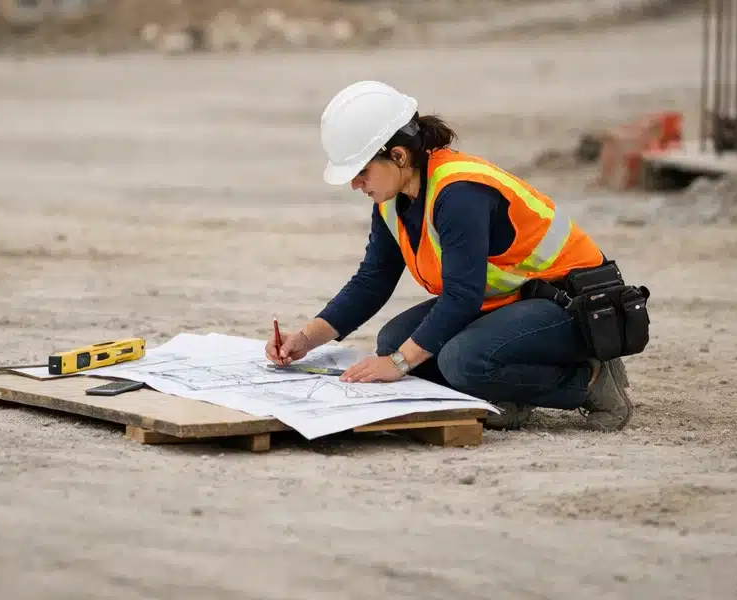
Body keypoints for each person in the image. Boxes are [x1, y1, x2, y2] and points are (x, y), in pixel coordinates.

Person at [266, 80, 634, 431]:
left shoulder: (458, 193)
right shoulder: (393, 199)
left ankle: (592, 381)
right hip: (514, 301)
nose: (354, 184)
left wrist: (398, 364)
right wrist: (307, 338)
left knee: (461, 360)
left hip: (575, 306)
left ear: (398, 155)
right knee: (394, 342)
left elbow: (461, 297)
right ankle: (508, 394)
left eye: (361, 171)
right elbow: (372, 281)